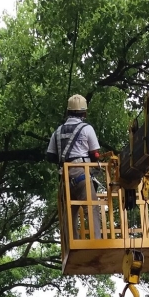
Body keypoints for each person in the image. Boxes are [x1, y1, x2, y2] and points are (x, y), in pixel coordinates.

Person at [46, 94, 102, 238]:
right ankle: (97, 242)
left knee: (68, 215)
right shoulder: (87, 128)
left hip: (64, 178)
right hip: (82, 174)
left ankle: (72, 244)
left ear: (68, 111)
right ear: (84, 113)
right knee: (92, 208)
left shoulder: (57, 132)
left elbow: (50, 156)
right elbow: (95, 153)